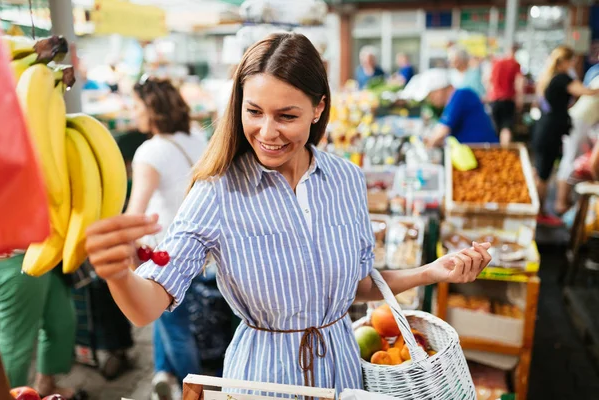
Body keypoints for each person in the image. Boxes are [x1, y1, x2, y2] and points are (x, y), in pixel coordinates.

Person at [84, 33, 492, 395]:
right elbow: (148, 306)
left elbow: (357, 286)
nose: (266, 131)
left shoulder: (346, 180)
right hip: (262, 380)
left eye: (287, 116)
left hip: (340, 374)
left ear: (318, 109)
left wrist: (432, 271)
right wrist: (118, 273)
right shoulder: (217, 192)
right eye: (254, 111)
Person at [128, 76, 207, 400]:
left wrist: (127, 248)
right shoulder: (196, 136)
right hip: (198, 246)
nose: (133, 113)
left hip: (165, 254)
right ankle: (164, 375)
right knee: (167, 320)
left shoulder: (150, 151)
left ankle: (195, 392)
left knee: (176, 330)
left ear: (152, 108)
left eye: (136, 105)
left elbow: (136, 213)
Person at [532, 46, 599, 223]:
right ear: (564, 62)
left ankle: (540, 210)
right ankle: (540, 213)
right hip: (551, 130)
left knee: (542, 172)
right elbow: (585, 91)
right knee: (545, 174)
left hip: (545, 127)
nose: (573, 65)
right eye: (572, 62)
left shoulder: (550, 77)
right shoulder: (562, 78)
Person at [0, 257, 80, 399]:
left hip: (44, 251)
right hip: (14, 258)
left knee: (62, 321)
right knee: (16, 343)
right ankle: (9, 395)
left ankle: (46, 385)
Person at [402, 69, 498, 147]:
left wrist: (429, 145)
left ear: (440, 89)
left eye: (431, 95)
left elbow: (442, 130)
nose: (431, 100)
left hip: (484, 153)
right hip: (477, 151)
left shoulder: (460, 95)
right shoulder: (458, 96)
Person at [554, 73, 599, 214]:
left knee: (570, 160)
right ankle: (561, 203)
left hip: (581, 121)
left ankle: (564, 201)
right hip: (580, 122)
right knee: (570, 161)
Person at [488, 46, 525, 146]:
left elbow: (488, 80)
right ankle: (504, 152)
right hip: (507, 100)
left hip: (494, 100)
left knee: (496, 128)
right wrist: (520, 98)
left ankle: (495, 151)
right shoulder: (514, 64)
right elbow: (519, 81)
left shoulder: (496, 62)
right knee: (506, 128)